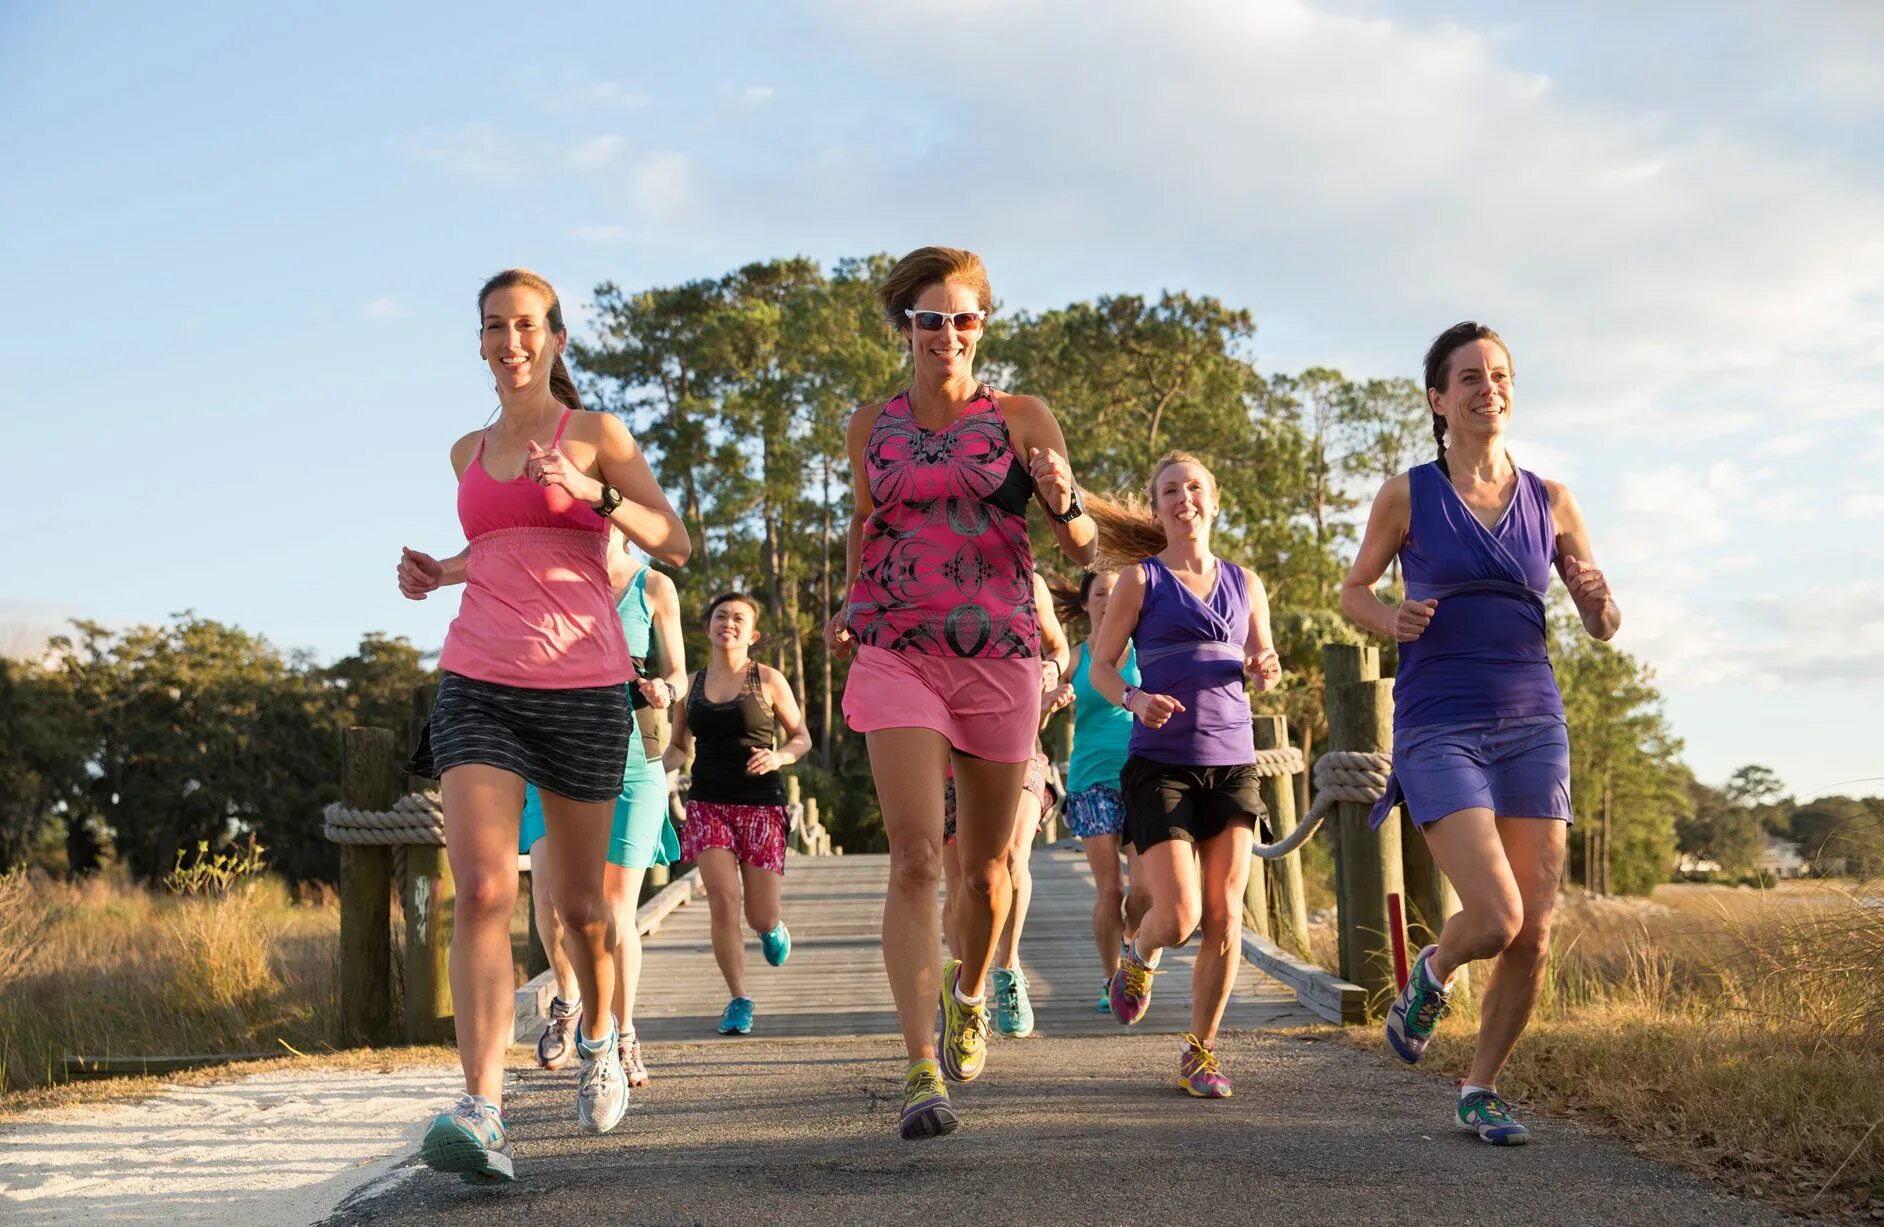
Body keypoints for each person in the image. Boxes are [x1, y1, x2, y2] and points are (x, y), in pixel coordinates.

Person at [395, 268, 689, 1182]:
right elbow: (499, 545)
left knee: (583, 910)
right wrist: (436, 573)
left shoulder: (595, 435)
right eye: (494, 327)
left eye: (526, 325)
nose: (510, 340)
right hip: (478, 678)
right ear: (480, 343)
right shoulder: (465, 451)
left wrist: (591, 491)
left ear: (555, 338)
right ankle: (481, 1109)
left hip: (584, 684)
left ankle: (601, 1033)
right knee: (483, 888)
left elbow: (673, 540)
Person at [824, 246, 1096, 1139]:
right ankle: (916, 1068)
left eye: (965, 317)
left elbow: (1084, 549)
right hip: (899, 648)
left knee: (983, 873)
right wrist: (852, 605)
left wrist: (1062, 501)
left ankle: (969, 989)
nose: (948, 333)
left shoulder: (1021, 417)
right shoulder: (871, 425)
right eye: (931, 318)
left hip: (1000, 651)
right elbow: (868, 526)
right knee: (915, 857)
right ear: (905, 326)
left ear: (984, 325)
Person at [1339, 321, 1617, 1146]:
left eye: (1499, 374)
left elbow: (1601, 622)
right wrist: (1392, 615)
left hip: (1535, 723)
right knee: (1494, 915)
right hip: (1439, 723)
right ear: (1438, 398)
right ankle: (1430, 971)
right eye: (1469, 376)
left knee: (1533, 930)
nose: (1487, 387)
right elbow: (1353, 590)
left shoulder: (1553, 500)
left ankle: (1481, 1087)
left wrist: (1599, 599)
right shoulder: (1407, 494)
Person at [1085, 452, 1282, 1099]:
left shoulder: (1246, 582)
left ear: (1213, 499)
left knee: (1225, 916)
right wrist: (1135, 698)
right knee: (1176, 916)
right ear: (1157, 508)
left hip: (1231, 761)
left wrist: (1264, 666)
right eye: (1170, 490)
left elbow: (1261, 655)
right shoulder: (1140, 582)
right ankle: (1139, 956)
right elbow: (1103, 667)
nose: (1183, 498)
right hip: (1162, 764)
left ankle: (1201, 1051)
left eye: (1193, 487)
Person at [523, 531, 686, 1090]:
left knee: (617, 908)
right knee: (549, 900)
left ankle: (622, 1032)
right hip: (556, 750)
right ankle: (568, 999)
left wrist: (666, 687)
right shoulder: (557, 578)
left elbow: (680, 673)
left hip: (633, 753)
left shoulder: (655, 586)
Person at [663, 591, 812, 1036]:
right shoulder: (687, 686)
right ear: (708, 626)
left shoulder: (767, 679)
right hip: (707, 803)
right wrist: (648, 773)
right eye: (721, 616)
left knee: (759, 916)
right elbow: (677, 747)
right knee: (723, 900)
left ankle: (771, 928)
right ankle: (739, 999)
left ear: (752, 634)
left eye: (738, 618)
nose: (728, 623)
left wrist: (781, 757)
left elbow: (800, 735)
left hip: (761, 804)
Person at [939, 571, 1069, 1038]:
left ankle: (1009, 969)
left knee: (1012, 856)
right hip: (948, 752)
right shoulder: (934, 571)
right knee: (962, 882)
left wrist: (1049, 673)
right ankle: (962, 993)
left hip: (1019, 744)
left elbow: (1058, 648)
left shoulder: (1028, 581)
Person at [1043, 569, 1150, 1014]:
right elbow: (1038, 705)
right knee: (1109, 889)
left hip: (1144, 778)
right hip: (1091, 783)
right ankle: (1111, 982)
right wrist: (1051, 699)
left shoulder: (1148, 649)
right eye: (1100, 593)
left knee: (1144, 893)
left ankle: (1133, 952)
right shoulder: (1072, 657)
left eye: (1116, 591)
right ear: (1086, 604)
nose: (1109, 599)